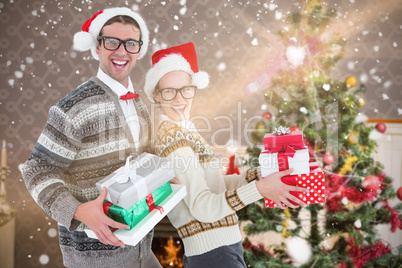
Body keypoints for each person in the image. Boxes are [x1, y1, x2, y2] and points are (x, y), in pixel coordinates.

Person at [144, 42, 308, 268]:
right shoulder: (172, 138)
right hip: (213, 254)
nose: (179, 99)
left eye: (185, 89)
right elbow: (202, 207)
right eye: (169, 91)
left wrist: (261, 175)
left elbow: (215, 186)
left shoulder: (184, 130)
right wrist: (260, 189)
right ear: (156, 94)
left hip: (220, 249)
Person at [21, 7, 161, 268]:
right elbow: (37, 168)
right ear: (97, 47)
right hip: (95, 259)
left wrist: (163, 174)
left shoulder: (140, 104)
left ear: (139, 50)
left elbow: (142, 161)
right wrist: (77, 210)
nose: (121, 51)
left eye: (130, 43)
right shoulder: (74, 106)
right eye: (112, 42)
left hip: (141, 249)